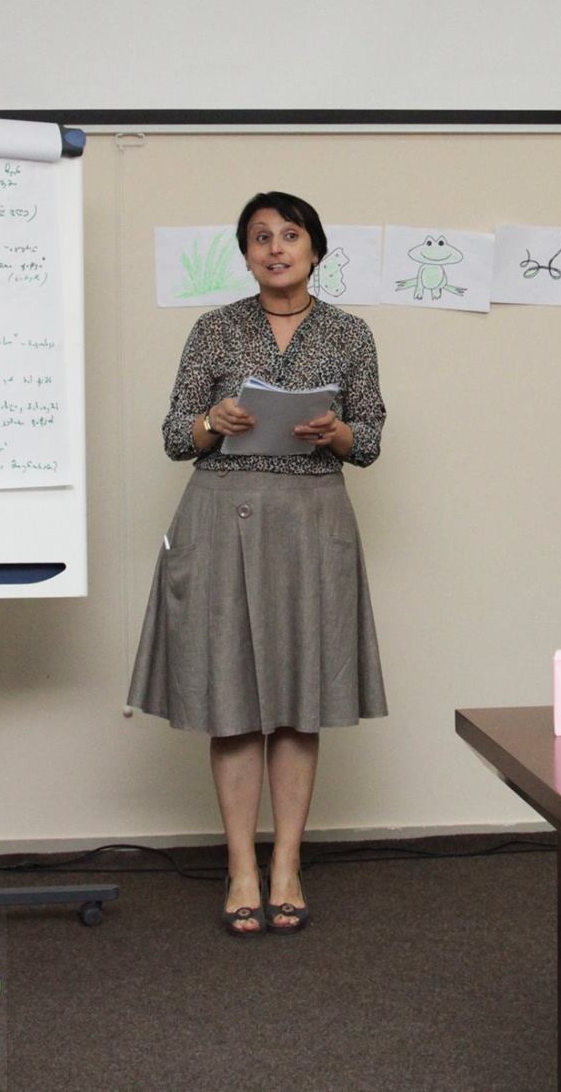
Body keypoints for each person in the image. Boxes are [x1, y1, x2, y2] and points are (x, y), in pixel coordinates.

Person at [127, 192, 387, 936]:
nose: (276, 248)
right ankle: (241, 866)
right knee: (233, 701)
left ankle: (287, 866)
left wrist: (336, 431)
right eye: (261, 237)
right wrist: (214, 421)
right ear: (245, 255)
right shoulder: (214, 329)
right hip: (223, 516)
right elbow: (174, 434)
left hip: (312, 522)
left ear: (315, 249)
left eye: (290, 235)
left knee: (302, 700)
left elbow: (370, 438)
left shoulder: (351, 333)